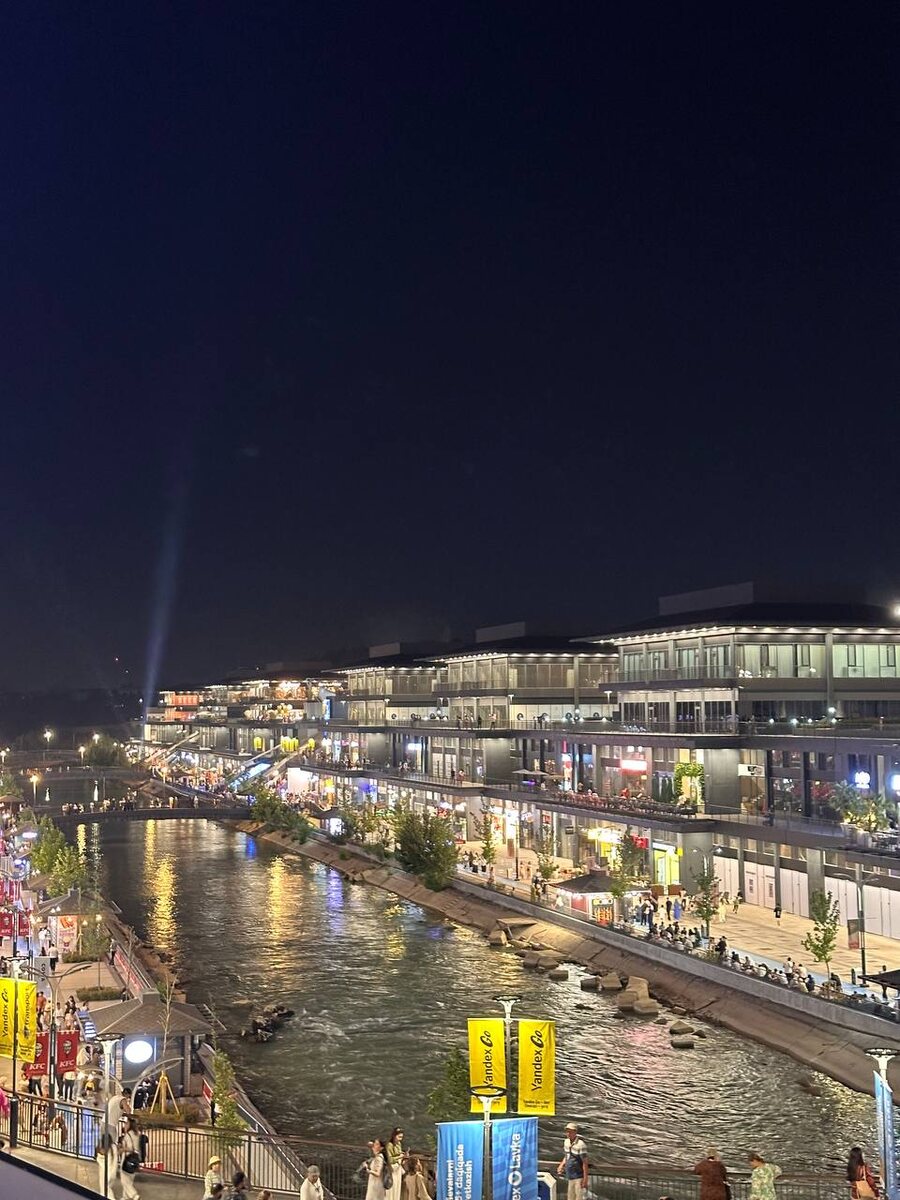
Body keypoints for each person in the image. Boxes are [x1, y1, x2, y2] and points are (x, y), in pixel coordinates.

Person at [558, 1122, 588, 1200]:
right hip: (570, 1176)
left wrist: (585, 1179)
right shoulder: (566, 1142)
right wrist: (561, 1165)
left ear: (575, 1132)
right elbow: (567, 1156)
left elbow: (585, 1163)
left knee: (579, 1197)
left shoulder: (581, 1145)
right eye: (567, 1131)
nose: (568, 1133)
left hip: (578, 1177)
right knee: (570, 1197)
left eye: (570, 1132)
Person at [119, 1115, 142, 1200]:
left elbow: (130, 1148)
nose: (125, 1125)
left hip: (127, 1158)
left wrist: (122, 1149)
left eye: (126, 1123)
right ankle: (125, 1197)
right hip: (135, 1158)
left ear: (130, 1124)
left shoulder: (128, 1135)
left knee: (124, 1180)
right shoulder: (137, 1134)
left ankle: (134, 1195)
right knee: (129, 1180)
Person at [96, 1127, 119, 1198]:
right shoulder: (114, 1147)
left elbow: (99, 1159)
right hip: (113, 1172)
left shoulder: (103, 1151)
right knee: (108, 1189)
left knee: (105, 1191)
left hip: (105, 1173)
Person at [387, 1127, 405, 1200]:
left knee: (397, 1186)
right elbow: (389, 1159)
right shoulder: (389, 1145)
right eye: (399, 1137)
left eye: (401, 1137)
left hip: (398, 1168)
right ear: (394, 1136)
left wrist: (402, 1154)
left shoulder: (399, 1144)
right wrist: (399, 1157)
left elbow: (398, 1153)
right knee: (392, 1188)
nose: (400, 1139)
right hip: (392, 1168)